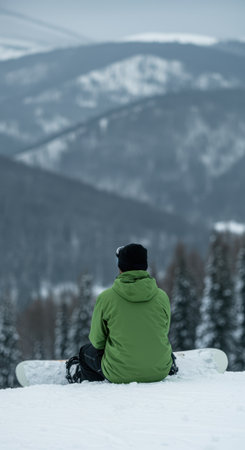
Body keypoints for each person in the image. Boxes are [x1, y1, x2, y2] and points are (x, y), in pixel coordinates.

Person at [66, 243, 178, 384]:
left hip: (119, 373)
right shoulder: (162, 297)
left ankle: (87, 380)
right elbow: (162, 332)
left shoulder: (106, 298)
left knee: (85, 353)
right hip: (160, 370)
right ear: (145, 266)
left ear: (120, 268)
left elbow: (97, 341)